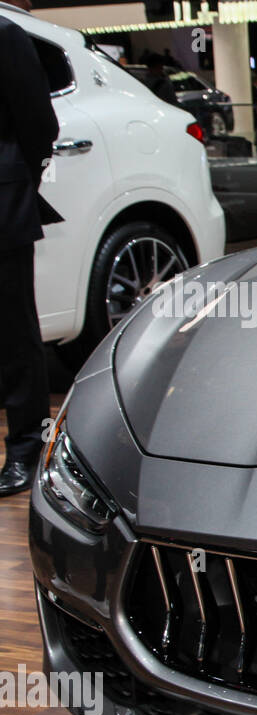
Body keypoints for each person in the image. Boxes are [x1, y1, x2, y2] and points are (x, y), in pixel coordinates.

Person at [0, 11, 59, 496]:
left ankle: (26, 448)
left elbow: (41, 126)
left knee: (14, 333)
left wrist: (17, 186)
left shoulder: (5, 34)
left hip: (1, 207)